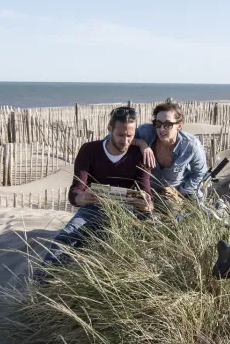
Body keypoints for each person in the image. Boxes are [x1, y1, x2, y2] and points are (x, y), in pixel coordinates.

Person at [41, 106, 152, 266]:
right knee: (64, 240)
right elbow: (75, 191)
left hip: (128, 210)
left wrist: (145, 203)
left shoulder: (139, 154)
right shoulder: (90, 150)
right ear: (109, 129)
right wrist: (82, 197)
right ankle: (41, 283)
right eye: (120, 135)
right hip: (94, 207)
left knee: (151, 238)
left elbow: (146, 194)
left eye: (130, 136)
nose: (125, 141)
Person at [134, 101, 207, 200]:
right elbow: (116, 139)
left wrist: (180, 192)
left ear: (179, 126)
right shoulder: (146, 133)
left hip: (180, 194)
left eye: (167, 124)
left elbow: (199, 173)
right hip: (148, 194)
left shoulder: (191, 146)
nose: (161, 129)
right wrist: (141, 143)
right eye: (158, 123)